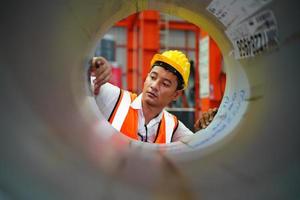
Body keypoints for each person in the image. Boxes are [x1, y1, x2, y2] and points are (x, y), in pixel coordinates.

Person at [90, 50, 217, 144]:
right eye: (153, 77)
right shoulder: (113, 99)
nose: (154, 86)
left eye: (165, 84)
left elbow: (198, 148)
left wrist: (208, 131)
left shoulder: (172, 127)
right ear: (146, 77)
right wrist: (93, 64)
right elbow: (76, 81)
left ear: (176, 95)